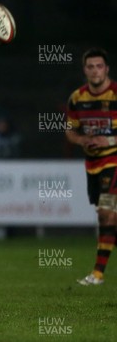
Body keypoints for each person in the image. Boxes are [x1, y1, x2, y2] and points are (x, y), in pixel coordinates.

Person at [66, 48, 117, 285]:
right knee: (104, 217)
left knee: (107, 214)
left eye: (99, 66)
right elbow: (70, 129)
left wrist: (109, 140)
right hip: (93, 166)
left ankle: (97, 274)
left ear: (106, 69)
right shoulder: (77, 98)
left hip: (113, 162)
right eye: (90, 66)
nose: (95, 70)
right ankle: (98, 274)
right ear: (84, 70)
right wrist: (81, 140)